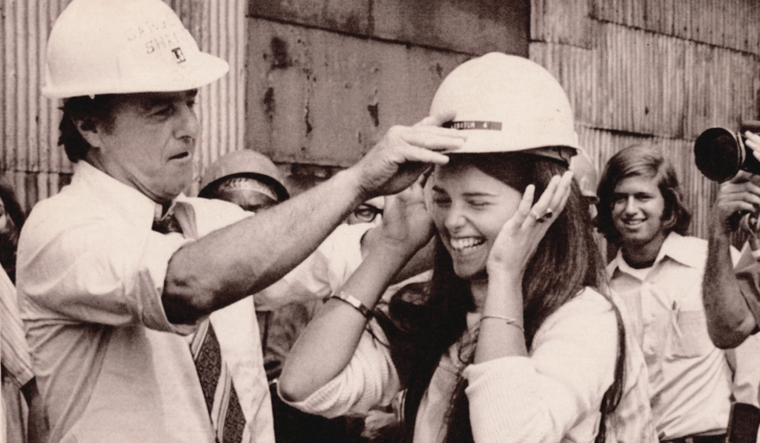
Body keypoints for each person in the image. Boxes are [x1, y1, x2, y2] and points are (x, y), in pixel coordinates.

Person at [16, 1, 465, 442]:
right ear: (89, 124)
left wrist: (465, 210)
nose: (189, 125)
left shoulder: (214, 222)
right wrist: (357, 183)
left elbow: (359, 251)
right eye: (159, 109)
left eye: (189, 102)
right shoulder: (60, 229)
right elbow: (188, 284)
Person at [278, 53, 655, 443]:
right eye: (441, 199)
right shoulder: (438, 310)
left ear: (546, 202)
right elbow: (305, 386)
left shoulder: (584, 317)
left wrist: (505, 275)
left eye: (477, 202)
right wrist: (388, 251)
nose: (453, 220)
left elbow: (508, 435)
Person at [596, 145, 733, 442]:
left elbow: (752, 370)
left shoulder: (710, 264)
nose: (630, 209)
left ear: (668, 206)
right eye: (620, 198)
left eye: (643, 196)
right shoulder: (601, 292)